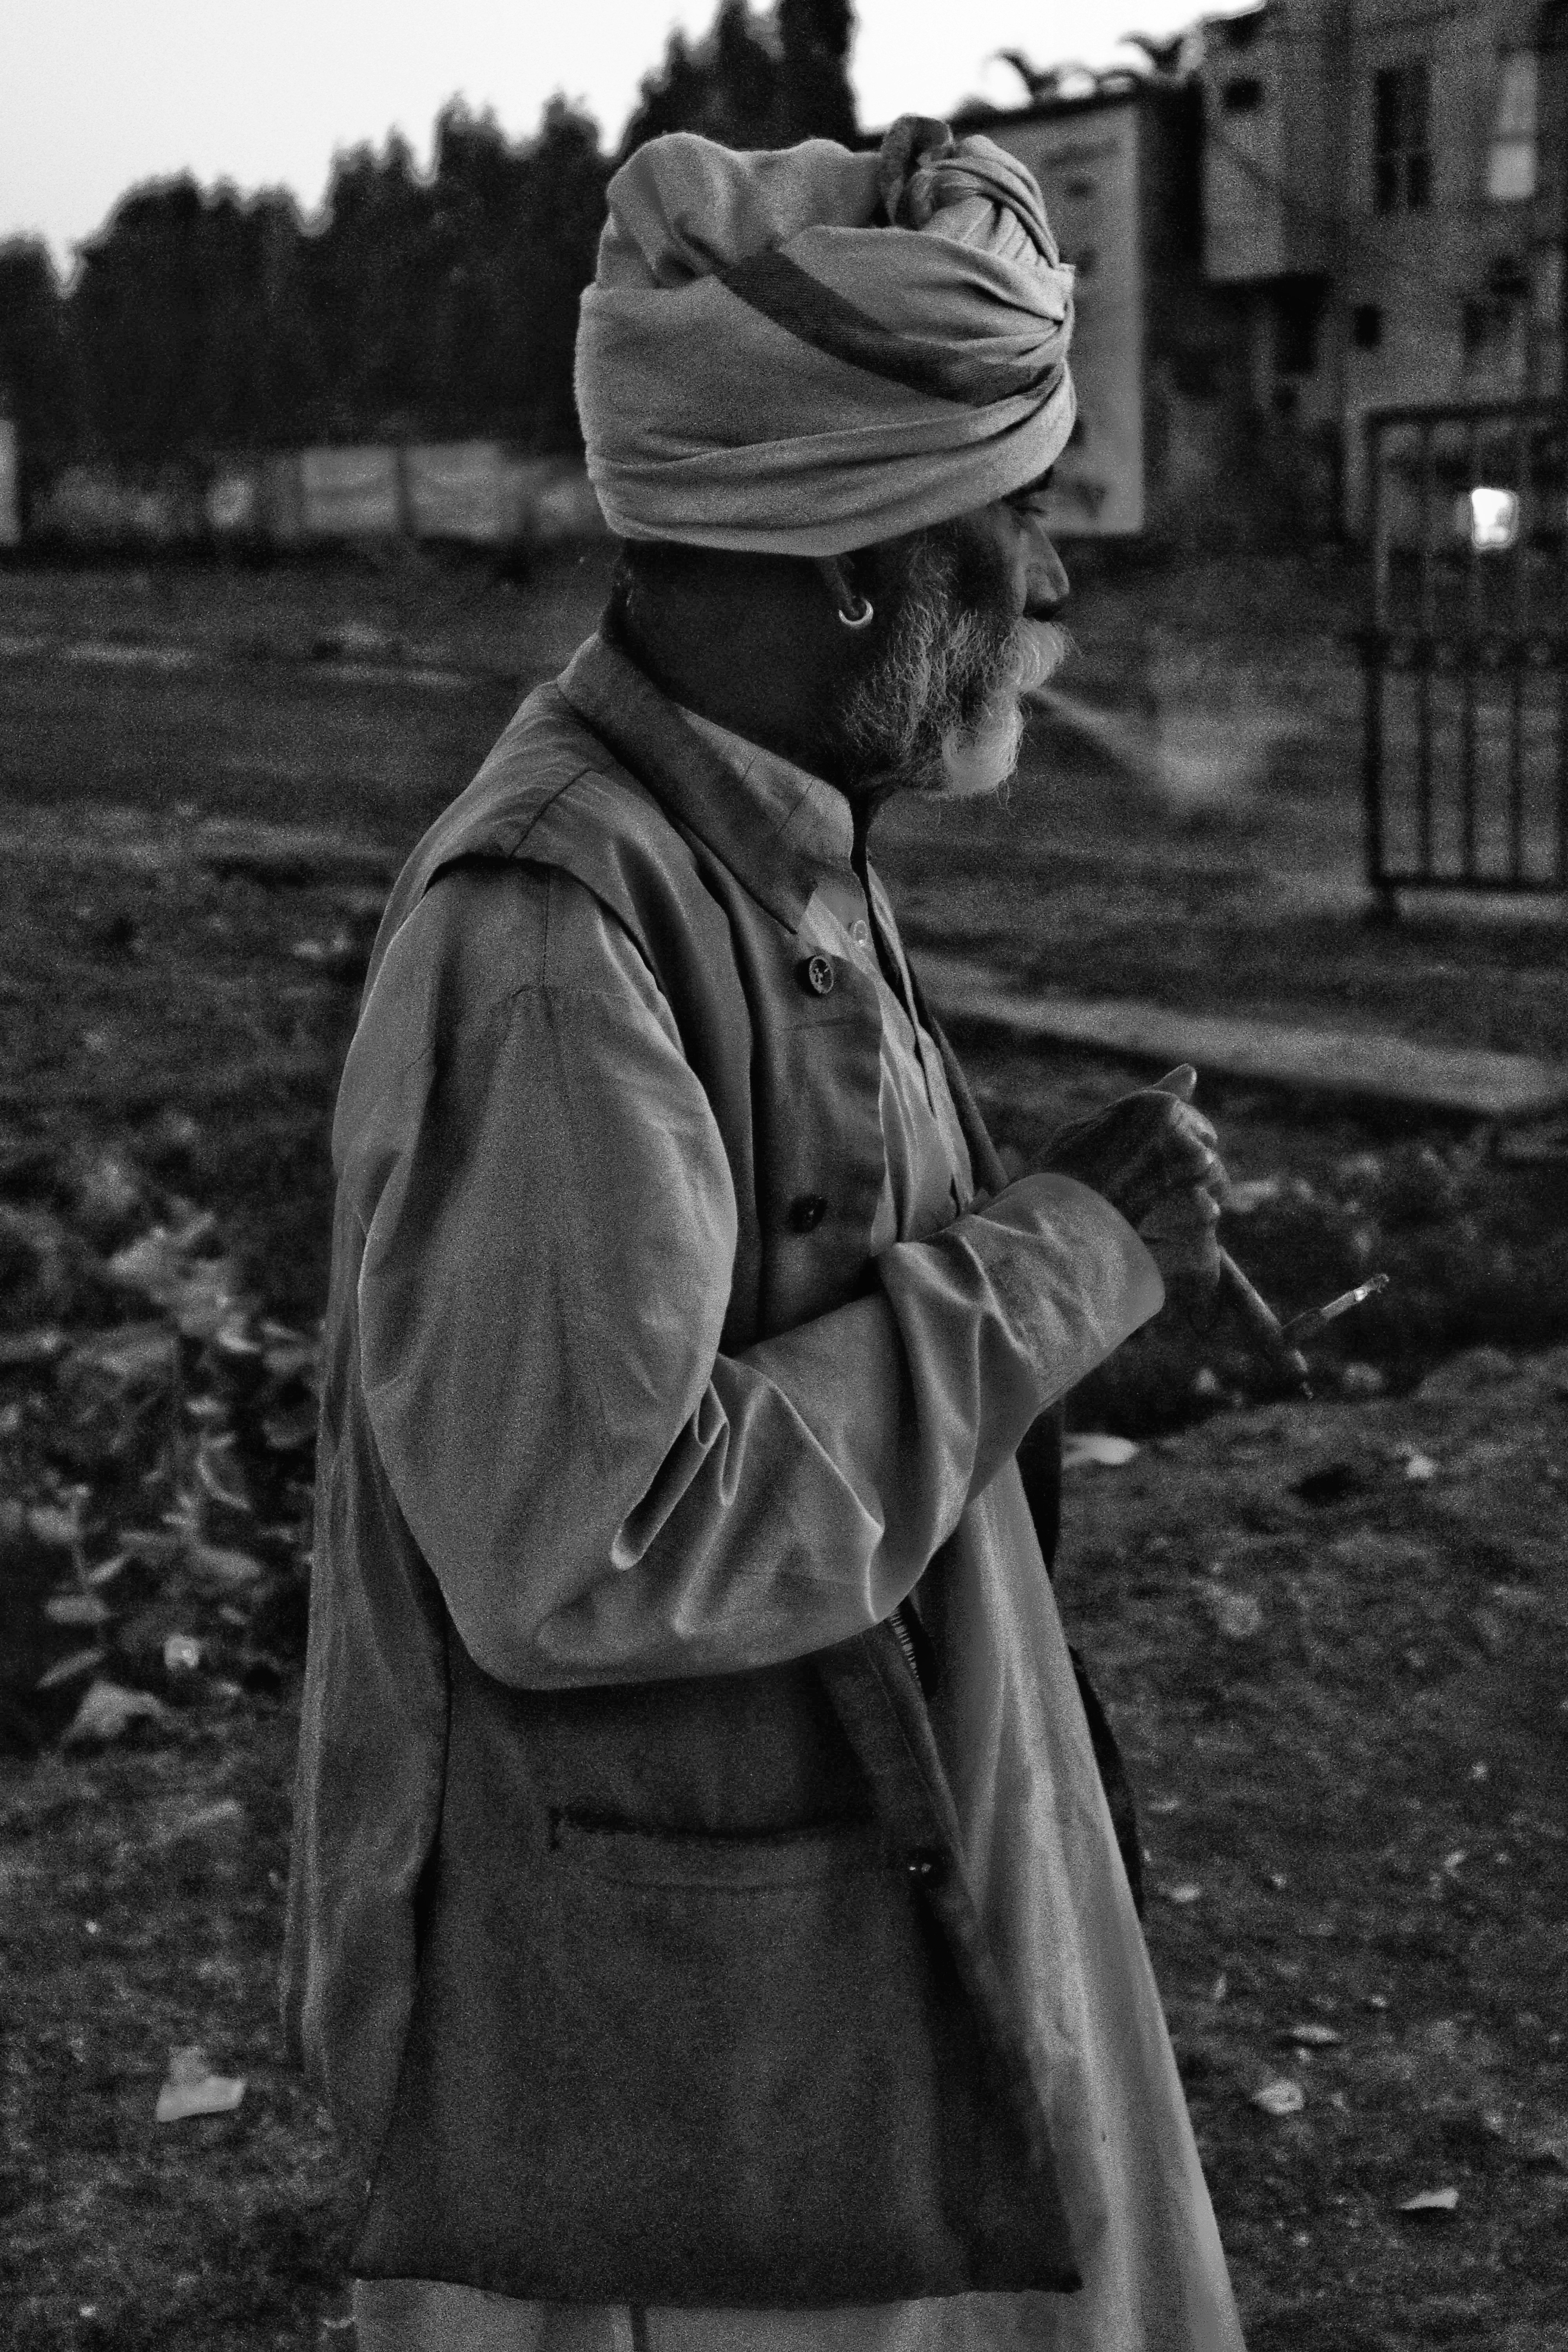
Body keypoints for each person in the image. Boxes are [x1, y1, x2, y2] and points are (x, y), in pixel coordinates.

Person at [283, 116, 1248, 2352]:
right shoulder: (553, 936)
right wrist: (1063, 1260)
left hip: (856, 1919)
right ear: (854, 576)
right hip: (685, 2063)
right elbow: (586, 1542)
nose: (1053, 600)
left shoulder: (778, 842)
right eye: (1016, 535)